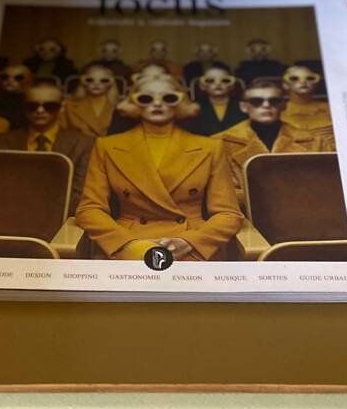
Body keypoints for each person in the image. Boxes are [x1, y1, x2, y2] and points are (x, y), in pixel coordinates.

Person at [75, 74, 243, 261]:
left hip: (190, 244)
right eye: (146, 98)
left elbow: (228, 213)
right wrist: (128, 243)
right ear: (133, 102)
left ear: (181, 102)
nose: (157, 104)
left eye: (168, 98)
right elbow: (89, 210)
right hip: (128, 243)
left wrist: (190, 242)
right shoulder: (106, 146)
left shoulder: (211, 148)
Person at [218, 77, 328, 210]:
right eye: (256, 101)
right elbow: (221, 193)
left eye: (274, 101)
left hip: (304, 213)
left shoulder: (315, 141)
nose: (266, 105)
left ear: (284, 105)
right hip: (246, 219)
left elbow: (324, 186)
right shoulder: (221, 143)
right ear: (244, 106)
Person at [0, 80, 92, 214]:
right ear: (24, 107)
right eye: (32, 105)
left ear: (62, 107)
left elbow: (79, 191)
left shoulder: (83, 144)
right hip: (8, 214)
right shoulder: (0, 142)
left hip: (61, 218)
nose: (40, 110)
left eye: (50, 106)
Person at [280, 61, 335, 148]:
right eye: (294, 78)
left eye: (310, 78)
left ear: (316, 83)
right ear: (285, 85)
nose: (303, 82)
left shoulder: (332, 108)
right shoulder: (278, 110)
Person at [62, 61, 121, 138]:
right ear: (82, 81)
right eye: (90, 80)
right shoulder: (68, 105)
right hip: (77, 147)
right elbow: (62, 133)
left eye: (104, 80)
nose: (96, 84)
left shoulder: (119, 107)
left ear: (111, 83)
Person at [185, 61, 244, 136]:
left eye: (225, 80)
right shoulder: (194, 107)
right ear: (202, 86)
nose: (218, 84)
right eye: (210, 81)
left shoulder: (243, 107)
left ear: (232, 85)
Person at [0, 62, 33, 131]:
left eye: (18, 78)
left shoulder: (28, 102)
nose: (10, 81)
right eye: (5, 77)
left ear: (27, 80)